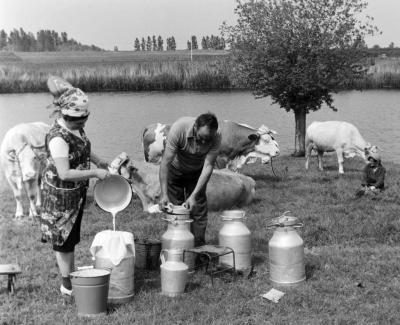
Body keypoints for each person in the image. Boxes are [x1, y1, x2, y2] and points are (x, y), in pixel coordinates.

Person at [39, 87, 109, 297]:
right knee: (63, 242)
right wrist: (95, 172)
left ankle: (70, 274)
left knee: (71, 238)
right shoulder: (58, 138)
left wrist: (98, 160)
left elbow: (82, 145)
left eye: (84, 120)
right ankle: (67, 286)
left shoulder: (74, 128)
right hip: (60, 197)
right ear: (66, 116)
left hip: (74, 195)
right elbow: (65, 173)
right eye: (79, 121)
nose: (83, 124)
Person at [159, 113, 221, 247]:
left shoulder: (216, 135)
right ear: (195, 127)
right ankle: (176, 247)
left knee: (197, 208)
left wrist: (194, 195)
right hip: (175, 170)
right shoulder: (179, 129)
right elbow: (165, 162)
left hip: (197, 172)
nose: (204, 142)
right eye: (201, 138)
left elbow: (208, 166)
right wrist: (164, 195)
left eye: (208, 139)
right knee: (175, 211)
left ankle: (198, 248)